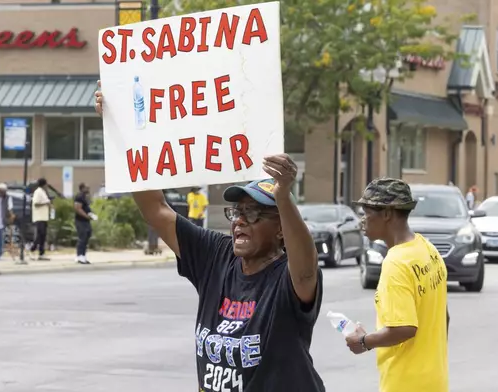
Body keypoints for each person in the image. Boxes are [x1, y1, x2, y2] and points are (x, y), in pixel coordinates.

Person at [95, 84, 326, 391]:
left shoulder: (287, 280)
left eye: (254, 214)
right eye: (237, 213)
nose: (240, 222)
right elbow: (157, 211)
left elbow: (307, 265)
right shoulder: (217, 257)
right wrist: (121, 127)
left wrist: (284, 197)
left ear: (281, 228)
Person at [346, 178, 449, 392]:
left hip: (405, 384)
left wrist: (364, 341)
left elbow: (404, 328)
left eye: (367, 213)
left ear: (387, 214)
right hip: (434, 380)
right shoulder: (428, 250)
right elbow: (444, 315)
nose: (363, 220)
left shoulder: (396, 263)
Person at [74, 183, 96, 264]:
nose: (88, 189)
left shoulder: (84, 197)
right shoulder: (79, 197)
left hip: (86, 221)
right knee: (82, 237)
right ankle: (79, 255)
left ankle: (83, 255)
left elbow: (87, 207)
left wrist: (91, 214)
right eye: (87, 188)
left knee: (87, 235)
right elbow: (77, 208)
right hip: (80, 221)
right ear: (82, 188)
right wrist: (86, 216)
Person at [32, 178, 51, 261]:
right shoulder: (38, 192)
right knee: (40, 235)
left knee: (43, 236)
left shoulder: (43, 192)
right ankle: (32, 249)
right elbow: (36, 203)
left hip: (44, 217)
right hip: (39, 217)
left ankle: (41, 253)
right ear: (44, 184)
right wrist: (45, 203)